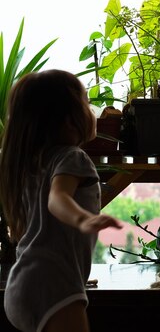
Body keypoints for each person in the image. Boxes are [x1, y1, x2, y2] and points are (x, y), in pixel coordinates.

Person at [0, 69, 123, 332]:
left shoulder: (27, 163)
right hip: (54, 284)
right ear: (69, 120)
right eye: (87, 103)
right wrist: (84, 218)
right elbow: (57, 199)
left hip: (21, 284)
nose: (93, 111)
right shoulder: (72, 157)